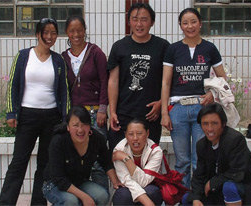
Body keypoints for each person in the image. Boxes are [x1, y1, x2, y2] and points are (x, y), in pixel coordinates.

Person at [0, 18, 69, 206]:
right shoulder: (23, 56)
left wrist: (65, 118)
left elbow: (64, 91)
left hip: (51, 118)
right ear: (38, 34)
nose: (49, 36)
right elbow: (13, 85)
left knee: (44, 164)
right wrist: (11, 113)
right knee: (18, 163)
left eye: (53, 33)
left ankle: (38, 203)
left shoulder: (58, 60)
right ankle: (5, 203)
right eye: (45, 32)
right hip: (28, 116)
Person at [161, 8, 226, 188]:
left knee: (200, 159)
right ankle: (183, 198)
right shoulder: (173, 49)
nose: (190, 26)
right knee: (182, 161)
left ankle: (199, 197)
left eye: (193, 22)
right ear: (180, 26)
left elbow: (222, 78)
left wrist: (212, 94)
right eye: (185, 23)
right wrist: (164, 113)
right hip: (178, 109)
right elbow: (166, 82)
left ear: (200, 23)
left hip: (202, 109)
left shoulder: (209, 48)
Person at [107, 3, 170, 150]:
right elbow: (113, 81)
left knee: (149, 158)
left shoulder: (163, 47)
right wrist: (113, 111)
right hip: (124, 113)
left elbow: (168, 81)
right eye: (135, 19)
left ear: (152, 22)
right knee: (118, 156)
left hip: (150, 115)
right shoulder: (119, 47)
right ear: (129, 22)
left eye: (144, 19)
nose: (139, 24)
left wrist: (161, 103)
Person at [182, 103, 251, 206]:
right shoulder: (201, 145)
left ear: (223, 124)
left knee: (229, 187)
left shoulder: (235, 140)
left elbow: (237, 172)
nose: (209, 129)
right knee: (187, 199)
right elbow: (199, 175)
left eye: (214, 123)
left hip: (242, 188)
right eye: (205, 124)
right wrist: (196, 197)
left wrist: (212, 183)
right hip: (216, 190)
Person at [61, 16, 109, 192]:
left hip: (95, 113)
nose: (76, 34)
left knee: (98, 160)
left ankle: (102, 198)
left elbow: (105, 81)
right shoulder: (63, 57)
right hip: (75, 116)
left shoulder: (95, 52)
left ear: (85, 30)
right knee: (76, 157)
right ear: (67, 32)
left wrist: (103, 108)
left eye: (80, 30)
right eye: (72, 31)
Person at [42, 106, 122, 206]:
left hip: (79, 182)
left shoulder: (97, 139)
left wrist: (115, 182)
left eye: (84, 124)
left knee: (102, 196)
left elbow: (106, 162)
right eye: (75, 125)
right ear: (68, 127)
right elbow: (58, 178)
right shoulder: (58, 141)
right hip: (54, 184)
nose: (80, 130)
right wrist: (84, 197)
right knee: (71, 201)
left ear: (90, 125)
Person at [112, 118, 163, 206]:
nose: (135, 138)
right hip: (127, 187)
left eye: (139, 134)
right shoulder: (119, 149)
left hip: (149, 185)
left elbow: (143, 182)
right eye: (131, 134)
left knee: (151, 192)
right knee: (123, 195)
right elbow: (126, 180)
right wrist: (147, 202)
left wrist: (126, 159)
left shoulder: (156, 151)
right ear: (125, 135)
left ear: (147, 133)